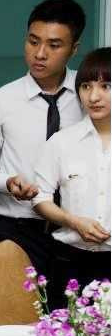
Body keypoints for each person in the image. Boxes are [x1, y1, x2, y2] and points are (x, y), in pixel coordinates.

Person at [0, 0, 86, 304]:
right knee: (19, 317)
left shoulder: (91, 95)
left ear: (74, 49)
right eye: (33, 41)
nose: (39, 54)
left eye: (54, 45)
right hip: (19, 231)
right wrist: (8, 182)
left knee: (77, 319)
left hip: (77, 230)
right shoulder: (0, 101)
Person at [32, 47, 111, 302]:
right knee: (67, 328)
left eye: (106, 86)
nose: (94, 96)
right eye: (86, 86)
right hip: (70, 263)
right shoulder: (62, 142)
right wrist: (74, 222)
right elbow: (40, 198)